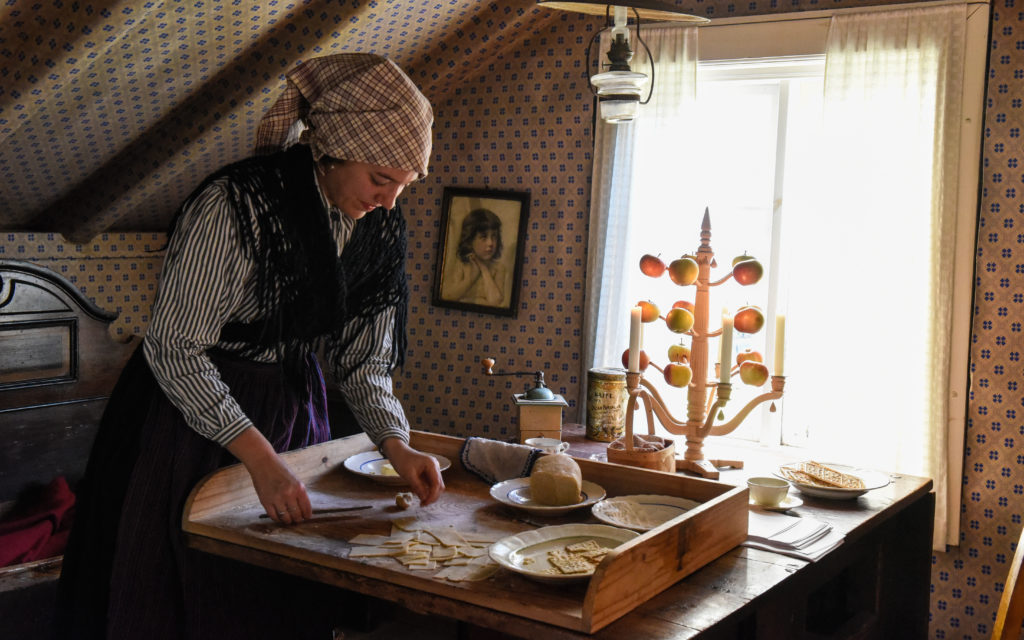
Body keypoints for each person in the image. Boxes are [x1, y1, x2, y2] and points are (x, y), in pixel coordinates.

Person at [55, 53, 444, 640]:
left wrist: (397, 444)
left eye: (405, 184)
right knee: (176, 585)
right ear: (332, 149)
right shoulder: (236, 208)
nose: (390, 200)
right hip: (187, 412)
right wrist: (260, 461)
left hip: (288, 402)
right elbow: (177, 348)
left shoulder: (379, 225)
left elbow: (364, 359)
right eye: (380, 179)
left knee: (275, 590)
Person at [443, 208, 507, 306]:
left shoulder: (498, 269)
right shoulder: (463, 265)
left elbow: (496, 301)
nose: (490, 243)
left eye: (494, 236)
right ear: (470, 240)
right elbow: (448, 297)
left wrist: (484, 269)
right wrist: (470, 279)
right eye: (483, 237)